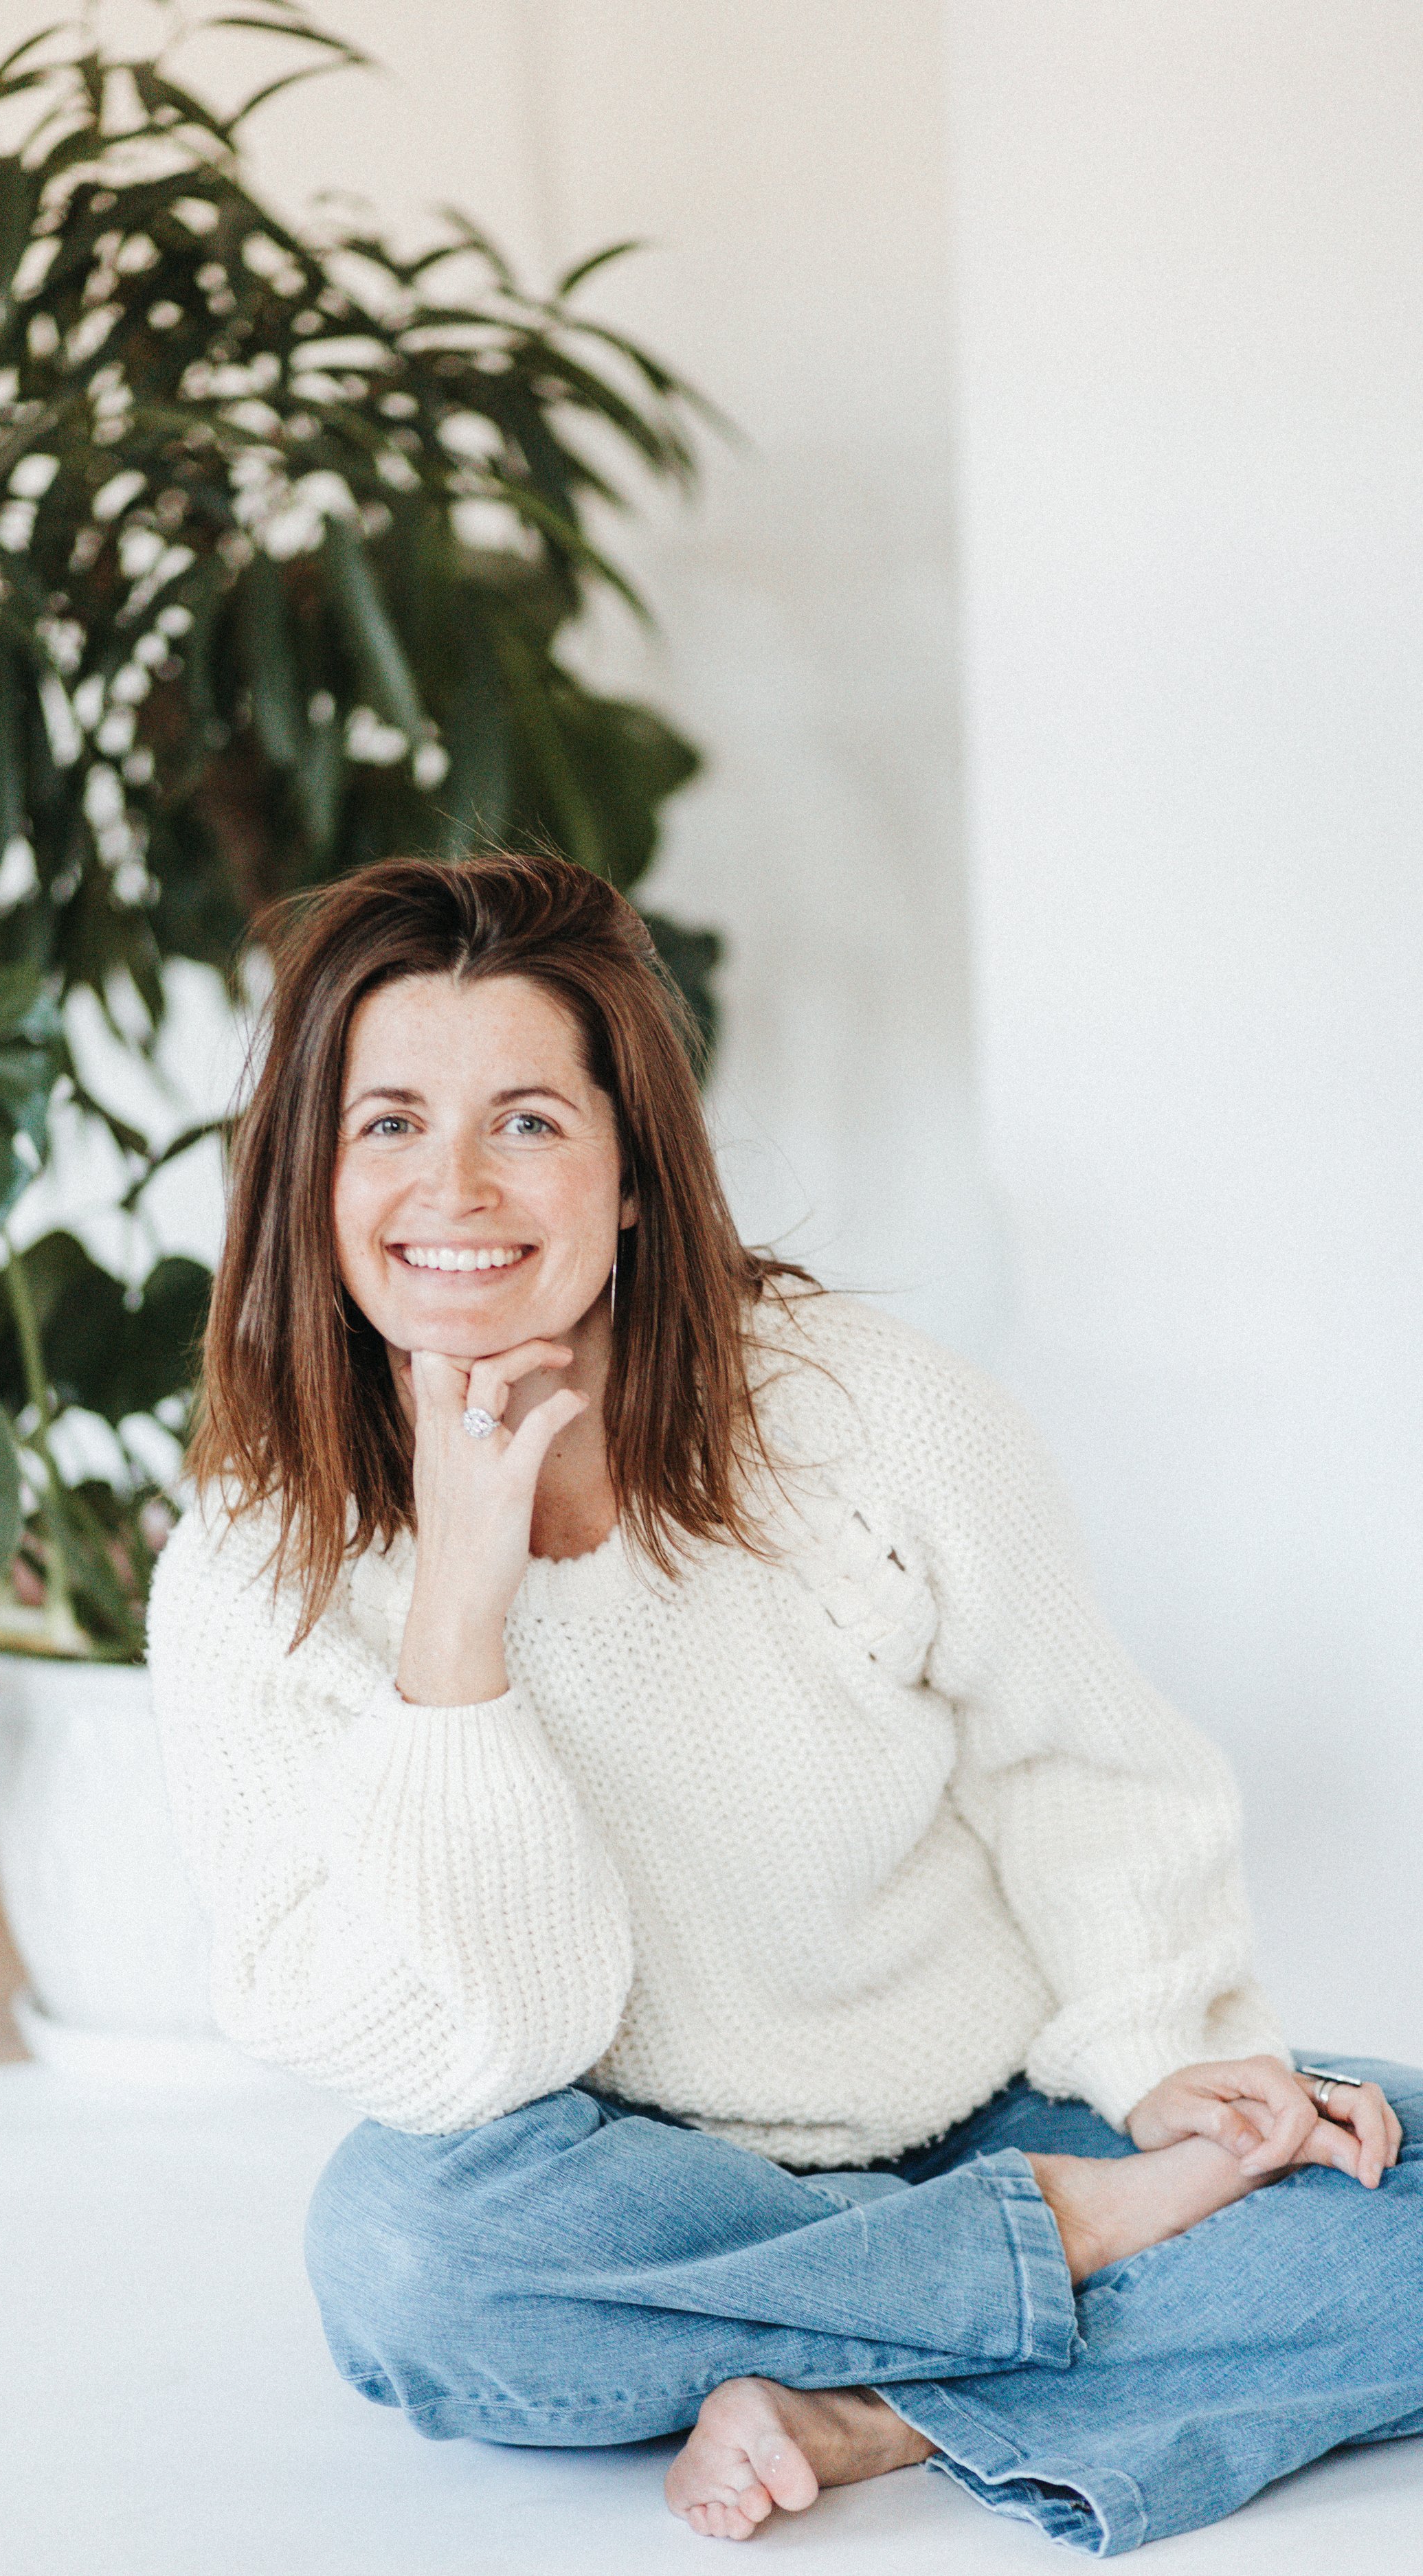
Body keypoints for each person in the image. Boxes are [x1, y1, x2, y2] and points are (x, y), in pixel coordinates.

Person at [148, 850, 1420, 2554]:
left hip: (977, 2105)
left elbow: (1080, 1770)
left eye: (524, 1120)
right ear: (308, 1176)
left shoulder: (875, 1421)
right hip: (616, 2190)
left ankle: (865, 2405)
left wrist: (1159, 2063)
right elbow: (494, 2053)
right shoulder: (251, 1573)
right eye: (386, 1124)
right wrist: (458, 1615)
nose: (452, 1186)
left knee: (1389, 2163)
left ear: (626, 1178)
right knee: (402, 2258)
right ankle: (1075, 2256)